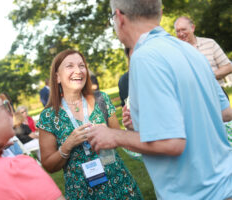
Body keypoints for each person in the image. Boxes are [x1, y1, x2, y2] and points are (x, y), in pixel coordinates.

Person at [88, 0, 232, 199]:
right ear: (160, 13)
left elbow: (171, 143)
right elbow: (225, 112)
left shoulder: (144, 57)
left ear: (119, 18)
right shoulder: (191, 51)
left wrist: (114, 135)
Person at [36, 49, 143, 199]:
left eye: (81, 66)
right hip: (82, 193)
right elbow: (48, 165)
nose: (78, 71)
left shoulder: (102, 100)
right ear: (57, 77)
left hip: (120, 186)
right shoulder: (48, 117)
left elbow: (122, 140)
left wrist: (128, 128)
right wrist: (68, 144)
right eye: (70, 66)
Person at [174, 16, 232, 87]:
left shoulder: (210, 43)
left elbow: (228, 67)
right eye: (178, 31)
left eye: (183, 29)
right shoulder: (175, 52)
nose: (181, 34)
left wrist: (208, 76)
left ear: (192, 28)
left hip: (217, 92)